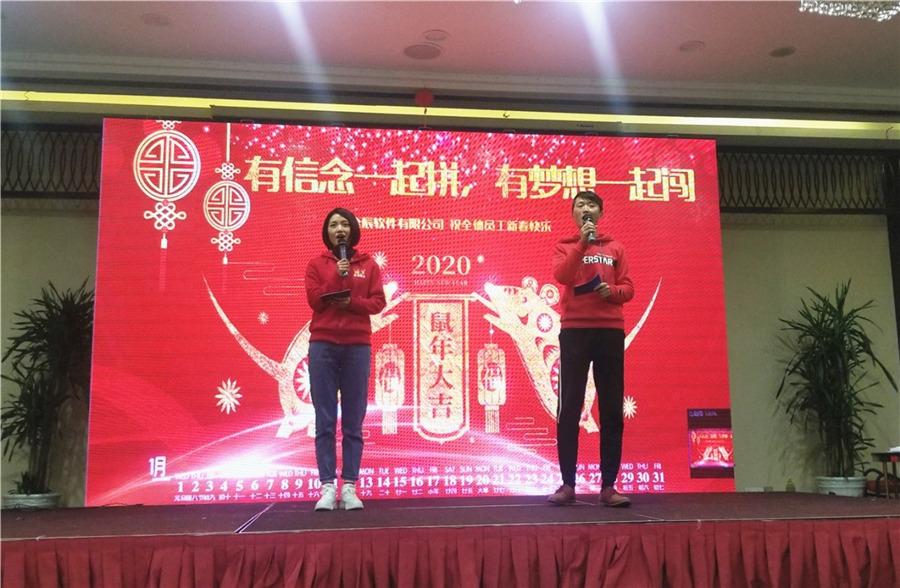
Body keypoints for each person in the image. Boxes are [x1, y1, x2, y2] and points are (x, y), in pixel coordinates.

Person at [548, 190, 634, 508]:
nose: (586, 209)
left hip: (609, 331)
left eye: (592, 205)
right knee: (569, 407)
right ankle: (568, 484)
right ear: (574, 214)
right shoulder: (565, 246)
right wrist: (582, 244)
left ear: (600, 213)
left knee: (610, 408)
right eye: (580, 206)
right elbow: (562, 275)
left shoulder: (615, 248)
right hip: (574, 331)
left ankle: (608, 486)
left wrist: (612, 292)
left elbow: (628, 288)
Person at [305, 207, 386, 510]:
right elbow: (314, 299)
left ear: (352, 229)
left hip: (356, 347)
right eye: (333, 225)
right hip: (323, 346)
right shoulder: (317, 264)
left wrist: (351, 302)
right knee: (325, 420)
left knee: (354, 421)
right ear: (327, 232)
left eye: (344, 224)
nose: (338, 229)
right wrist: (336, 280)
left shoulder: (369, 265)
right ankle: (327, 487)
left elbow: (378, 302)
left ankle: (350, 486)